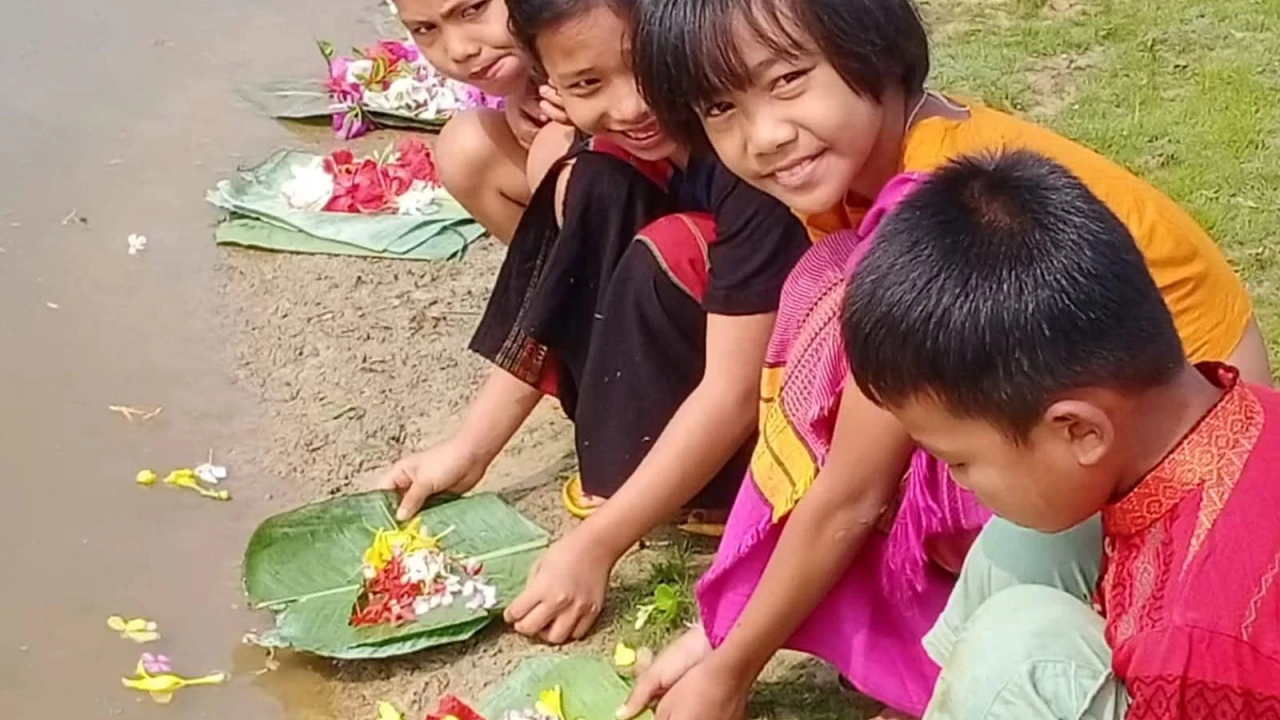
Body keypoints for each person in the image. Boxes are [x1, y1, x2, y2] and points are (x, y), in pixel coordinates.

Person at [620, 0, 1273, 717]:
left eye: (787, 79)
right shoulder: (875, 164)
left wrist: (727, 667)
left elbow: (851, 493)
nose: (766, 135)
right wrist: (720, 636)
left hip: (1142, 424)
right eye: (720, 105)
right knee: (984, 533)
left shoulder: (921, 198)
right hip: (1163, 414)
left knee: (1000, 641)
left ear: (871, 44)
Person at [382, 0, 810, 646]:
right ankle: (642, 462)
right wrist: (467, 453)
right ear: (544, 83)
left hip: (781, 403)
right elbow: (563, 286)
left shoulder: (750, 156)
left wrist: (596, 547)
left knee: (665, 250)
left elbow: (730, 391)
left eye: (641, 68)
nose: (633, 106)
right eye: (587, 85)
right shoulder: (618, 139)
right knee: (590, 179)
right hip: (713, 342)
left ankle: (707, 493)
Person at [843, 150, 1280, 719]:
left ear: (1078, 429)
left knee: (1017, 659)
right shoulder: (1234, 411)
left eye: (959, 462)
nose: (961, 482)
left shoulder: (1196, 642)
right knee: (1027, 541)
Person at [393, 0, 567, 242]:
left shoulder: (617, 18)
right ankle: (564, 274)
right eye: (425, 29)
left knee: (554, 148)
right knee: (465, 148)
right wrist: (527, 80)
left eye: (473, 10)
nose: (458, 50)